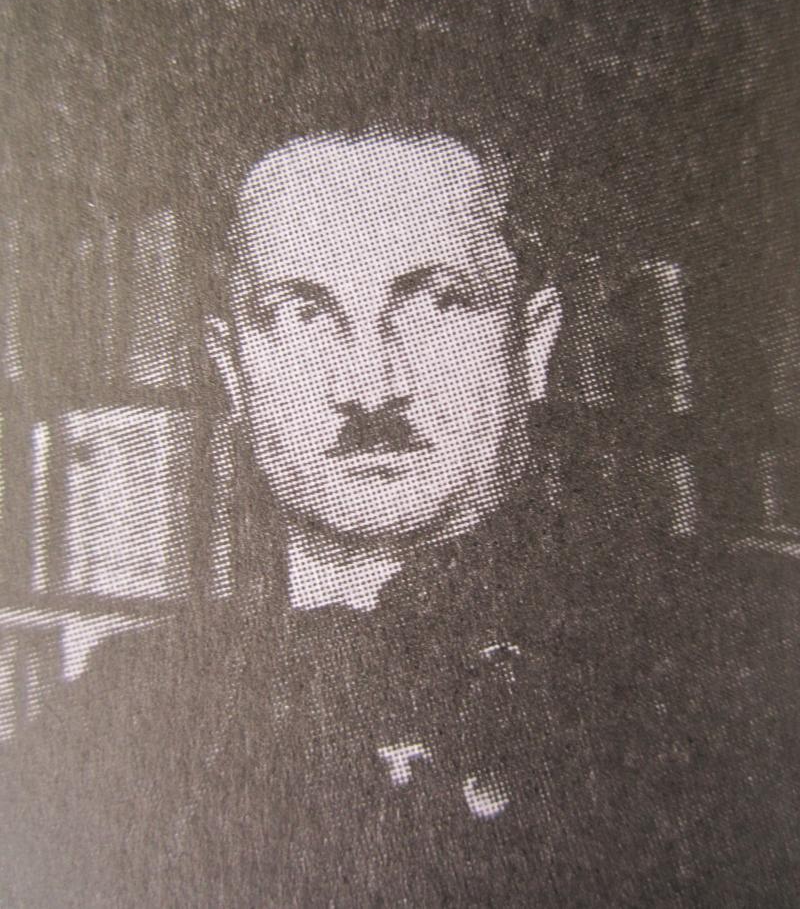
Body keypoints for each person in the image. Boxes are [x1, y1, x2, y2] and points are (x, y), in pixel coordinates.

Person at [1, 124, 797, 908]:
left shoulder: (747, 659)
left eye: (440, 304)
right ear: (232, 369)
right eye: (300, 314)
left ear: (532, 344)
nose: (370, 385)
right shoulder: (114, 716)